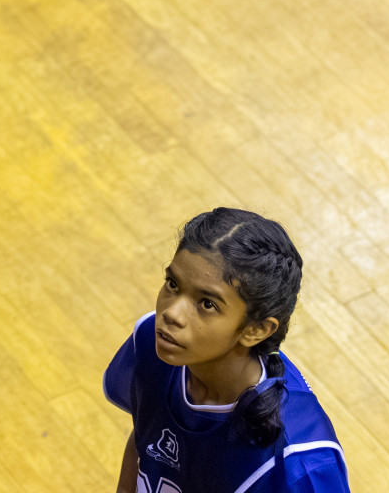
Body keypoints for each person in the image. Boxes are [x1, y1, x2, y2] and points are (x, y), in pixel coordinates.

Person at [105, 208, 349, 492]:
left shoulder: (300, 463)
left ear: (256, 329)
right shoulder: (151, 341)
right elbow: (145, 438)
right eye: (172, 284)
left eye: (207, 304)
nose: (172, 313)